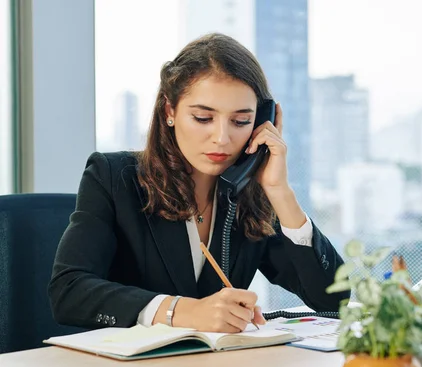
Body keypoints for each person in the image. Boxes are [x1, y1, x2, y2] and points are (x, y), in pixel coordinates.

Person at [48, 33, 348, 333]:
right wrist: (180, 310)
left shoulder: (249, 195)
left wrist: (280, 191)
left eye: (241, 121)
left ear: (260, 123)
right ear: (170, 111)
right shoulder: (113, 176)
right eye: (203, 118)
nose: (222, 138)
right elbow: (69, 291)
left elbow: (335, 303)